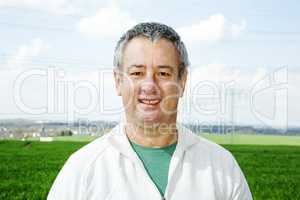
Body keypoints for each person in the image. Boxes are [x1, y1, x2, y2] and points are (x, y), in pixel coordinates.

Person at [47, 22, 253, 200]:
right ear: (118, 82)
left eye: (163, 73)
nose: (149, 85)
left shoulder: (222, 167)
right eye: (136, 73)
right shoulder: (82, 168)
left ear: (182, 81)